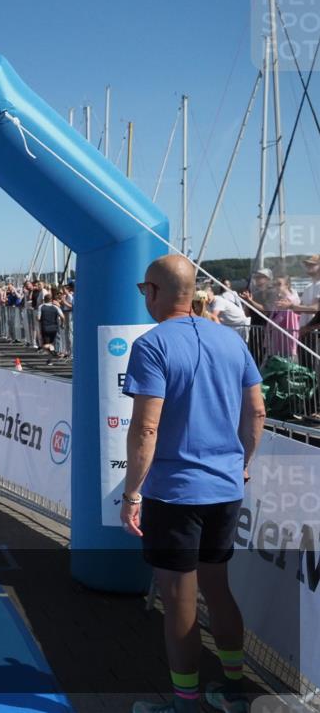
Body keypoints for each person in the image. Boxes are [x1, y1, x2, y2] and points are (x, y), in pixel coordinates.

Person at [121, 255, 265, 713]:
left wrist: (131, 493)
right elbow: (257, 412)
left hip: (176, 492)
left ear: (157, 292)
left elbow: (146, 429)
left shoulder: (152, 345)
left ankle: (186, 703)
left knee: (178, 597)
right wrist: (244, 463)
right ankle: (235, 689)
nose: (144, 297)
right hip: (225, 487)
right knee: (217, 588)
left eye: (144, 289)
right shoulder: (230, 340)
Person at [37, 293, 64, 364]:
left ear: (44, 300)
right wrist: (62, 324)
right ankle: (49, 360)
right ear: (51, 300)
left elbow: (38, 318)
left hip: (45, 327)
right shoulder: (56, 307)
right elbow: (62, 317)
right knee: (51, 344)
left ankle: (53, 351)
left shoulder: (41, 307)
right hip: (54, 328)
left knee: (44, 345)